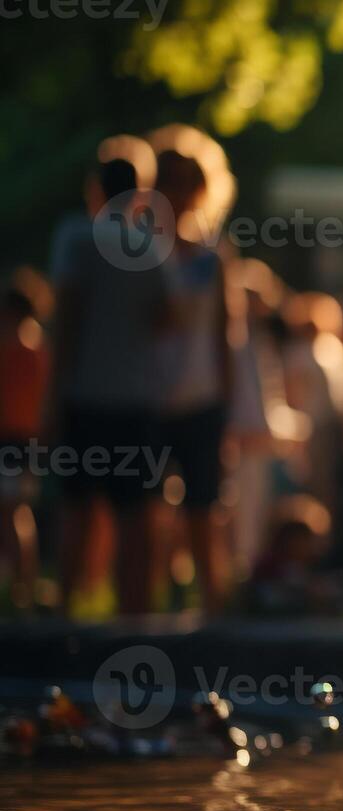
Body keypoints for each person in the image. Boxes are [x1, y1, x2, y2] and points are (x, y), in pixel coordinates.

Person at [50, 149, 170, 616]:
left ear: (95, 188)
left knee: (77, 504)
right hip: (137, 399)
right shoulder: (149, 245)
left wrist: (53, 393)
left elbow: (66, 318)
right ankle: (134, 609)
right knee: (134, 512)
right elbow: (165, 316)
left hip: (86, 393)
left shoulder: (76, 237)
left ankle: (64, 605)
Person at [150, 145, 235, 613]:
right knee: (146, 510)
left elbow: (225, 333)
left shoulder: (211, 256)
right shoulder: (138, 251)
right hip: (149, 396)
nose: (180, 194)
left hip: (201, 398)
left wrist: (227, 402)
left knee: (203, 507)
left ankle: (211, 605)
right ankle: (150, 603)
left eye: (189, 184)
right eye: (171, 182)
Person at [0, 270, 51, 612]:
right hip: (30, 441)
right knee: (19, 513)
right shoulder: (41, 349)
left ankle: (21, 588)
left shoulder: (13, 348)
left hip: (10, 440)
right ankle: (24, 585)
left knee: (10, 515)